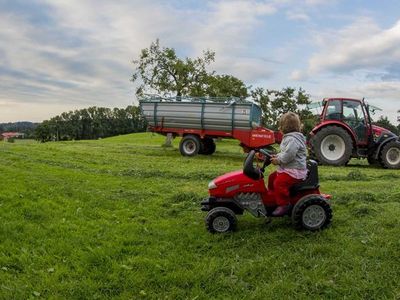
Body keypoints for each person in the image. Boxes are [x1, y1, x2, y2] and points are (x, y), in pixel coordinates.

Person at [268, 112, 307, 216]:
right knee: (272, 178)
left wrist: (279, 160)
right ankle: (273, 198)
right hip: (289, 168)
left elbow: (289, 155)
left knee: (279, 183)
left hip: (295, 170)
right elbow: (285, 152)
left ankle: (284, 204)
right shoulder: (290, 137)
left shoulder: (292, 139)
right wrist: (277, 156)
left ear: (283, 127)